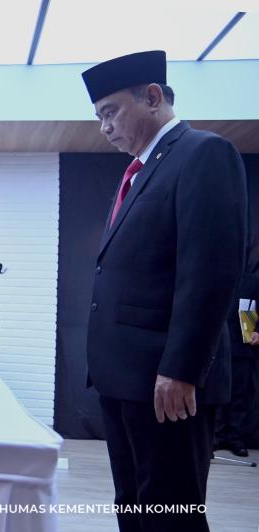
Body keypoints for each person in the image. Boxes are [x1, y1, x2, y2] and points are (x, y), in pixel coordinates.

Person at [82, 50, 247, 532]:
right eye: (98, 118)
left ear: (152, 97)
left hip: (166, 385)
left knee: (171, 513)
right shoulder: (139, 171)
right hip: (123, 381)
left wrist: (181, 368)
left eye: (110, 112)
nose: (104, 127)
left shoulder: (204, 153)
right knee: (134, 506)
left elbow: (212, 272)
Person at [215, 268, 259, 457]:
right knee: (216, 390)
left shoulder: (254, 276)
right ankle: (215, 435)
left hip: (244, 337)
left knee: (240, 391)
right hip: (218, 340)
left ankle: (232, 435)